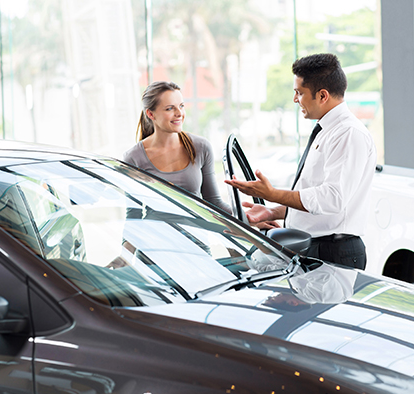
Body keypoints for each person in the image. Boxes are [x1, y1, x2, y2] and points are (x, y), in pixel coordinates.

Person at [225, 53, 376, 270]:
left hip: (333, 250)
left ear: (322, 96)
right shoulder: (328, 130)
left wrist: (272, 193)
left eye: (299, 93)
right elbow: (314, 197)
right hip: (316, 246)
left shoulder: (348, 133)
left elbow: (332, 199)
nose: (295, 99)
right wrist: (273, 211)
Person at [123, 81, 231, 213]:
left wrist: (247, 218)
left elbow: (214, 203)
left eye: (181, 106)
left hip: (197, 233)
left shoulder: (201, 147)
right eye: (170, 108)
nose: (179, 113)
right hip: (158, 233)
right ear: (151, 114)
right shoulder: (134, 158)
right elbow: (134, 214)